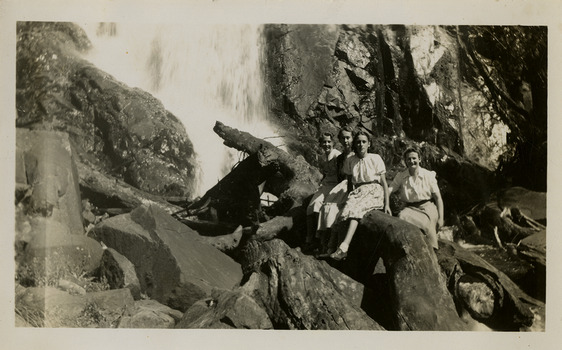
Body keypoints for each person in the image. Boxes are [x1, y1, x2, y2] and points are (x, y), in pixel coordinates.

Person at [330, 131, 390, 261]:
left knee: (355, 211)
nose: (361, 144)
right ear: (354, 144)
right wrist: (349, 198)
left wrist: (387, 204)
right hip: (358, 191)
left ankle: (344, 247)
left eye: (364, 142)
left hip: (373, 190)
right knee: (343, 213)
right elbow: (350, 183)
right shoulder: (350, 160)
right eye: (358, 142)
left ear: (369, 144)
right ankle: (335, 249)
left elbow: (384, 183)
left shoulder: (375, 158)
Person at [388, 147, 444, 249]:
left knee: (426, 223)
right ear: (405, 161)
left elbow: (438, 198)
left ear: (419, 159)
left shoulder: (428, 175)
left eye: (414, 158)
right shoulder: (401, 176)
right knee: (401, 217)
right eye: (408, 159)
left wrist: (441, 218)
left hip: (428, 207)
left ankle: (432, 249)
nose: (411, 161)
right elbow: (390, 189)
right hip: (410, 208)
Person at [315, 126, 354, 256]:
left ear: (352, 138)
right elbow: (339, 176)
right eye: (343, 138)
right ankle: (323, 243)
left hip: (353, 185)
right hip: (342, 185)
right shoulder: (341, 157)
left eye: (348, 137)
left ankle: (331, 246)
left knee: (337, 209)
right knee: (326, 206)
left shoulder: (356, 153)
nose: (345, 141)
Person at [304, 132, 341, 251]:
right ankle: (310, 238)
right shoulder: (322, 157)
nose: (326, 144)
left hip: (336, 186)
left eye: (329, 142)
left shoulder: (337, 155)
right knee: (312, 206)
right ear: (320, 143)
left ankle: (321, 241)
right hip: (325, 185)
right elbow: (325, 173)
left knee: (325, 208)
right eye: (324, 142)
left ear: (333, 143)